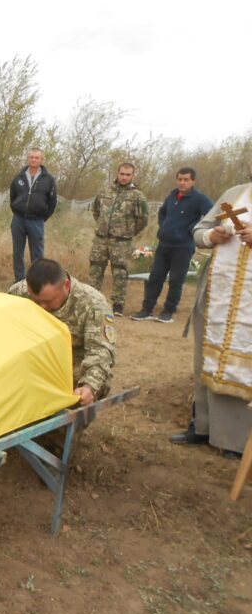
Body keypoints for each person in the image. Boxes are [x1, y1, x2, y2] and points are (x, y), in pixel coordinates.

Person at [171, 184, 252, 457]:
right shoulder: (233, 194)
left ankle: (233, 440)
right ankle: (202, 426)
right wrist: (211, 235)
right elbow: (199, 230)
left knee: (240, 366)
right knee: (204, 359)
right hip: (217, 294)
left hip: (247, 306)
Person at [8, 258, 116, 406]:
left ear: (66, 285)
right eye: (36, 301)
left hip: (71, 370)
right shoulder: (18, 293)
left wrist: (89, 386)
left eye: (48, 301)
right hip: (34, 363)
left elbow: (100, 352)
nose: (43, 307)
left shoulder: (93, 304)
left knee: (61, 419)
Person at [131, 167, 213, 323]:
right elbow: (162, 213)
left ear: (193, 181)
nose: (182, 183)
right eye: (180, 179)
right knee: (155, 277)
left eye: (186, 180)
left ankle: (168, 312)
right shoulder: (172, 196)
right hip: (164, 245)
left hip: (183, 246)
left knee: (176, 280)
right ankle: (147, 309)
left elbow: (211, 214)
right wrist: (163, 226)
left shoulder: (199, 199)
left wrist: (193, 229)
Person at [88, 163, 149, 316]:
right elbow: (96, 211)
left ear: (132, 176)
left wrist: (127, 231)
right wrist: (103, 226)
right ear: (117, 173)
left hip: (122, 241)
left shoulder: (137, 196)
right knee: (95, 270)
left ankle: (118, 305)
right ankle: (93, 300)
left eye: (128, 175)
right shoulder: (105, 190)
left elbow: (143, 220)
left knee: (120, 273)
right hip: (101, 240)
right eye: (122, 174)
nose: (124, 177)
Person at [10, 148, 57, 281]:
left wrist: (42, 216)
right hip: (18, 219)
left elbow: (52, 202)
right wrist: (17, 209)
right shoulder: (19, 177)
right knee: (18, 252)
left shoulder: (48, 179)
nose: (33, 160)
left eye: (36, 157)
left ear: (42, 160)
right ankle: (19, 281)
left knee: (37, 254)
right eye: (31, 157)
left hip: (36, 221)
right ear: (28, 159)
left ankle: (36, 282)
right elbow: (12, 196)